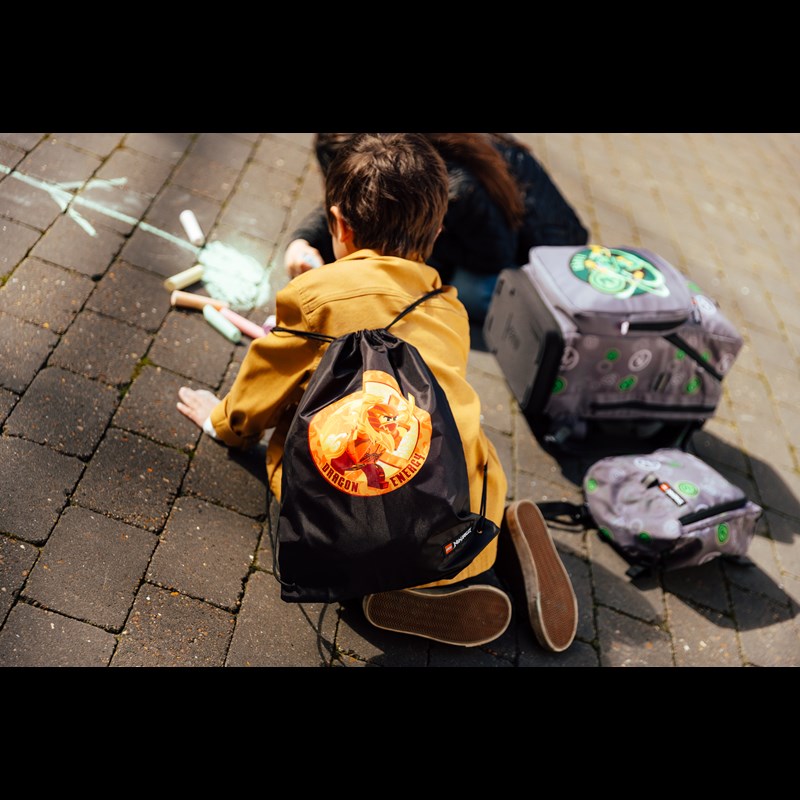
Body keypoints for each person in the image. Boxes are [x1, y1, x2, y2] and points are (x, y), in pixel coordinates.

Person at [176, 133, 577, 651]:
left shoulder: (312, 297)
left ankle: (388, 590)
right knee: (461, 432)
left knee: (316, 475)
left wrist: (224, 423)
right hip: (465, 511)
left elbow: (263, 384)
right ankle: (498, 538)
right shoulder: (447, 305)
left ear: (339, 226)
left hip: (373, 531)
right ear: (436, 230)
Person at [284, 132, 589, 327]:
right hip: (496, 233)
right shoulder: (411, 155)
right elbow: (357, 203)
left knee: (464, 292)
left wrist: (421, 249)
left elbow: (496, 254)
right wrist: (303, 240)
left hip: (542, 263)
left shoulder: (457, 189)